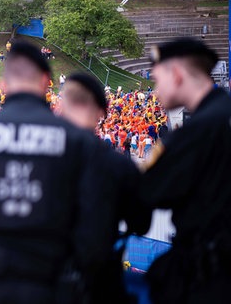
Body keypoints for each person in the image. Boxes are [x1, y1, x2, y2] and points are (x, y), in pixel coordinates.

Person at [0, 41, 114, 304]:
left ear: (3, 86)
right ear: (46, 82)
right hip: (52, 279)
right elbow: (100, 219)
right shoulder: (77, 141)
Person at [139, 37, 231, 304]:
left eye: (157, 80)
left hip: (211, 274)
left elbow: (148, 191)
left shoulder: (199, 129)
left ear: (177, 75)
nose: (156, 90)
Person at [59, 72, 151, 304]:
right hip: (99, 277)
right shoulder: (118, 164)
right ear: (101, 112)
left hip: (45, 274)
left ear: (63, 106)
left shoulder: (38, 156)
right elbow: (141, 222)